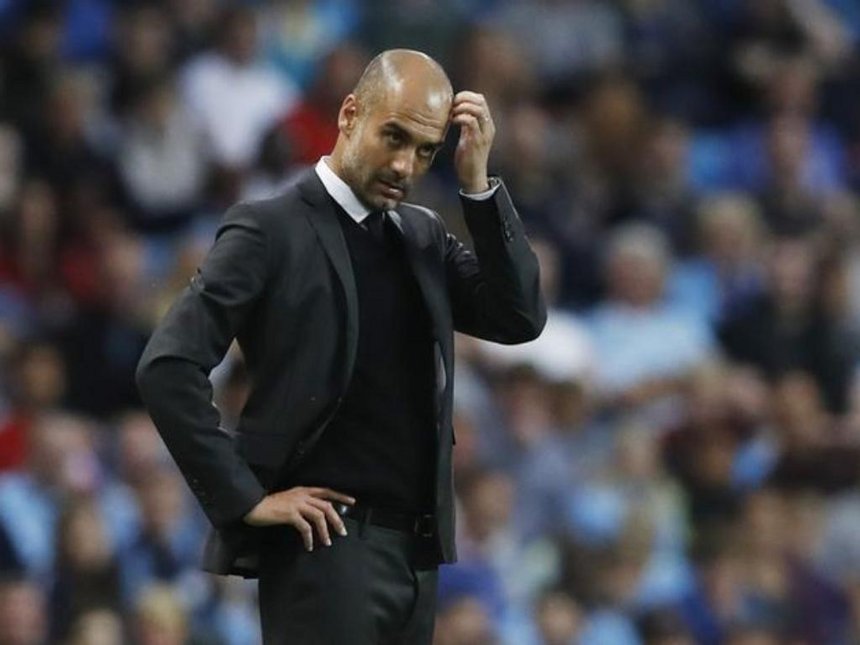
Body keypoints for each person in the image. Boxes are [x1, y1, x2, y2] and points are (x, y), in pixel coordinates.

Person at [136, 49, 546, 644]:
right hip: (325, 551)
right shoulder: (267, 228)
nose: (406, 166)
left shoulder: (422, 235)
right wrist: (245, 498)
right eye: (394, 137)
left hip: (417, 555)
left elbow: (519, 317)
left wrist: (478, 186)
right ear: (351, 114)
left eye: (425, 151)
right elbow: (168, 365)